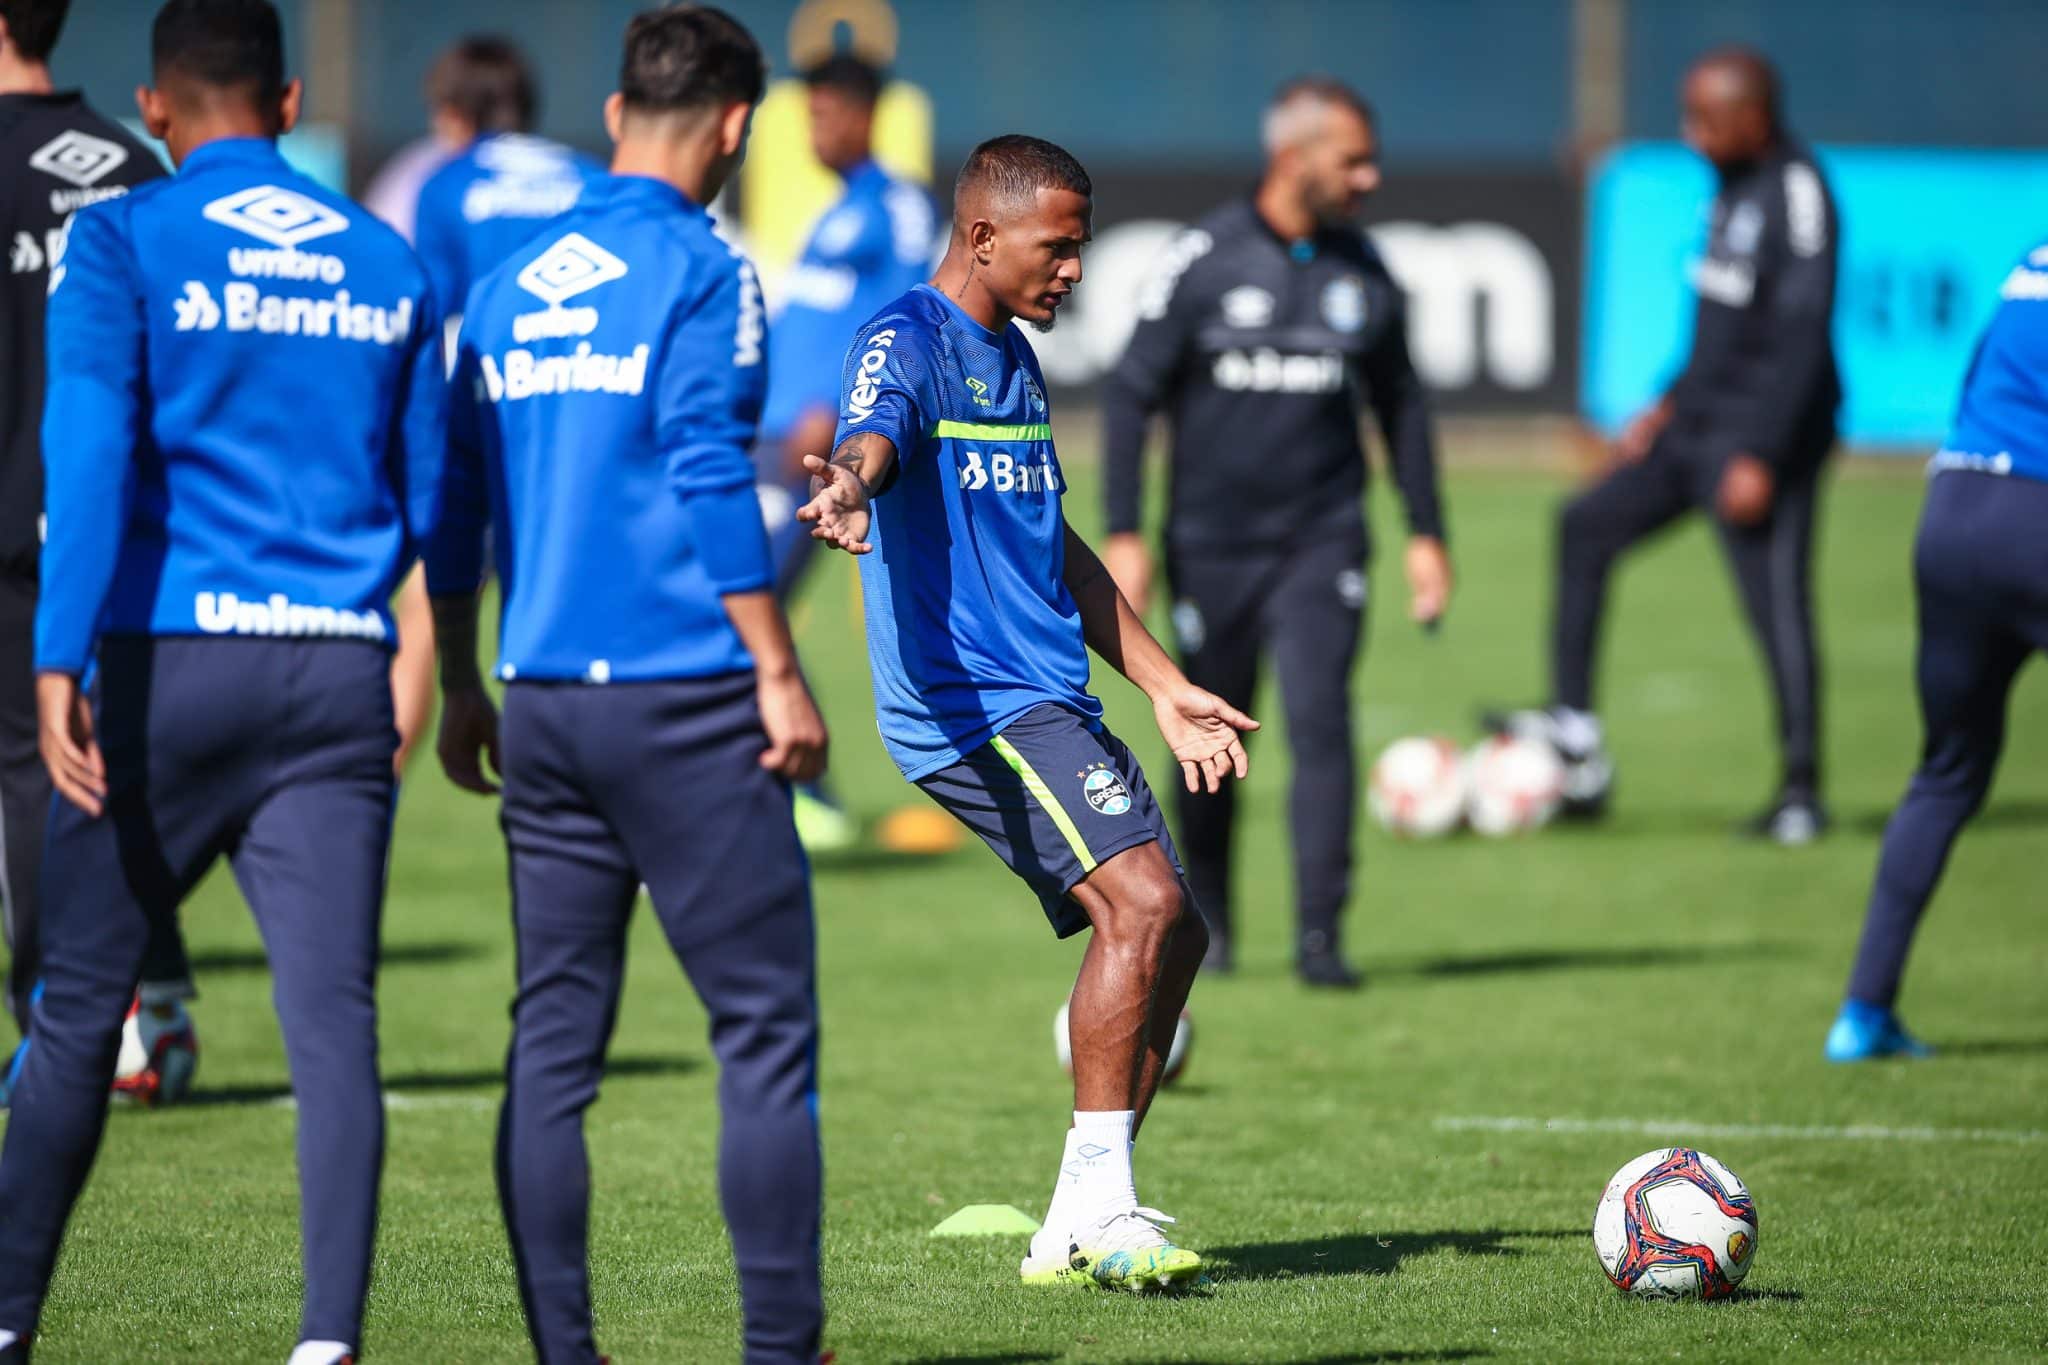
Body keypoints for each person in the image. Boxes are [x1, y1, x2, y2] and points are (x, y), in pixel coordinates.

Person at [0, 1, 446, 1361]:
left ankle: (10, 1320)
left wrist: (55, 657)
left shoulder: (126, 235)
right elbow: (432, 501)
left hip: (164, 667)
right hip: (331, 679)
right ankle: (325, 1343)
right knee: (333, 1028)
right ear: (291, 94)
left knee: (76, 1009)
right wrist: (450, 673)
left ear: (159, 110)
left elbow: (84, 459)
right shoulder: (386, 257)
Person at [427, 8, 828, 1361]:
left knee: (552, 1051)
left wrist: (463, 678)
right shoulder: (711, 273)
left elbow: (452, 495)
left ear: (612, 116)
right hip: (688, 699)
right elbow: (715, 472)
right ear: (734, 127)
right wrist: (779, 665)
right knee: (763, 1035)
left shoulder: (501, 279)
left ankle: (566, 1354)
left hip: (538, 693)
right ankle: (781, 1349)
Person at [799, 133, 1256, 1292]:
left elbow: (1051, 546)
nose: (1074, 271)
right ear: (983, 235)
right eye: (1058, 247)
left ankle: (1069, 1218)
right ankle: (1105, 1211)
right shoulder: (908, 337)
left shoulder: (1013, 359)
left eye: (1081, 247)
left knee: (1176, 934)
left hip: (1043, 694)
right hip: (970, 704)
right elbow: (875, 430)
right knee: (1141, 904)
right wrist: (851, 480)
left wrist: (1164, 685)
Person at [1100, 77, 1451, 987]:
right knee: (1212, 731)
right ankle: (1204, 923)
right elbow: (1133, 395)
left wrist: (1425, 530)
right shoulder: (1203, 258)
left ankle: (1321, 938)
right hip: (1210, 546)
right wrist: (1125, 532)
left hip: (1323, 539)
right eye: (1354, 159)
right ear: (1295, 157)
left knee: (1321, 719)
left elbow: (1401, 404)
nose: (1369, 177)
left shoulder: (1363, 272)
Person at [1492, 46, 1840, 845]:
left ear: (1752, 119)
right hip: (1695, 430)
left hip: (1760, 443)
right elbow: (1723, 326)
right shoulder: (1729, 187)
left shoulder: (1797, 190)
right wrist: (1666, 404)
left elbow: (1801, 335)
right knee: (1584, 525)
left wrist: (1761, 451)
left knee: (1776, 604)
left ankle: (1800, 791)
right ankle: (1575, 735)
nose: (1691, 135)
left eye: (1706, 120)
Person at [0, 0, 197, 1104]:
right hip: (122, 520)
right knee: (113, 756)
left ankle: (61, 1029)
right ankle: (151, 1002)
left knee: (35, 771)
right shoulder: (131, 159)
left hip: (13, 522)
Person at [1825, 243, 2048, 1062]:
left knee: (1947, 771)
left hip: (1954, 508)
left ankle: (1862, 1012)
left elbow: (1974, 380)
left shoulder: (2031, 260)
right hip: (2039, 515)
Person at [757, 52, 937, 852]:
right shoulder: (836, 211)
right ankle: (788, 783)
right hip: (774, 443)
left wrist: (831, 410)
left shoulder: (893, 208)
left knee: (746, 602)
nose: (814, 130)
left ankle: (804, 789)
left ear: (865, 114)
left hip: (821, 452)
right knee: (740, 603)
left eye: (826, 113)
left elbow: (898, 319)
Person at [410, 35, 600, 331]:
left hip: (488, 363)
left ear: (454, 115)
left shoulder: (446, 185)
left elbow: (434, 310)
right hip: (589, 358)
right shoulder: (593, 177)